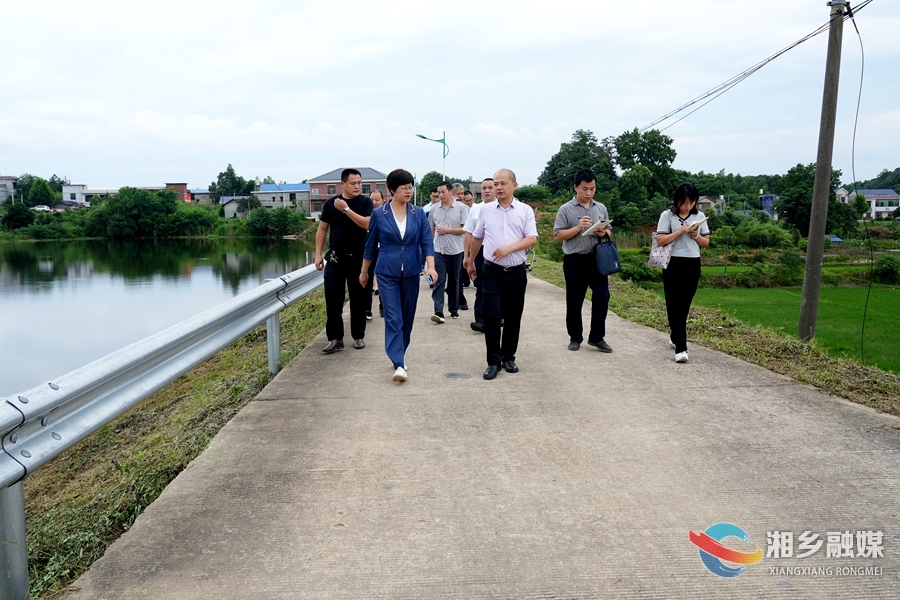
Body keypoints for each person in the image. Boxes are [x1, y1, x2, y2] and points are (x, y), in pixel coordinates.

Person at [360, 169, 437, 382]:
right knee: (393, 317)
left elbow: (427, 242)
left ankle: (399, 353)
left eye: (411, 186)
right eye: (404, 187)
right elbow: (370, 246)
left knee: (407, 317)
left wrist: (430, 267)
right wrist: (364, 271)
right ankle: (399, 363)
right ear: (392, 189)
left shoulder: (418, 213)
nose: (408, 191)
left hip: (412, 271)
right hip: (386, 273)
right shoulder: (379, 214)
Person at [468, 169, 538, 380]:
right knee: (491, 316)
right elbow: (477, 237)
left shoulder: (525, 210)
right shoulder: (486, 210)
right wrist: (470, 261)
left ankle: (509, 357)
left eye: (503, 183)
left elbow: (532, 238)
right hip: (491, 272)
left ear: (514, 185)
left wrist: (510, 248)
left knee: (513, 315)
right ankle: (493, 361)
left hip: (516, 271)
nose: (498, 187)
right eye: (496, 183)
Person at [553, 169, 613, 353]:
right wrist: (578, 227)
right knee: (574, 299)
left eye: (592, 189)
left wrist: (605, 232)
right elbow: (558, 235)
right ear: (576, 187)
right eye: (584, 189)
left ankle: (597, 337)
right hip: (575, 259)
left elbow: (609, 229)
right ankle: (575, 337)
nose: (588, 193)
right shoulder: (566, 209)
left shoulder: (600, 207)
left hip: (596, 259)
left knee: (602, 296)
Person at [314, 168, 373, 353]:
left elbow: (367, 224)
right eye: (353, 183)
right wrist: (317, 254)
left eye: (359, 183)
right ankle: (335, 338)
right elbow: (322, 229)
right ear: (343, 184)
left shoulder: (365, 202)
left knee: (358, 299)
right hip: (335, 259)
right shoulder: (331, 203)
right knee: (333, 300)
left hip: (359, 259)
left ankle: (358, 336)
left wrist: (346, 210)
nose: (357, 186)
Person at [655, 182, 710, 363]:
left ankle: (675, 335)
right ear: (677, 201)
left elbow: (705, 243)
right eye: (684, 203)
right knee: (675, 303)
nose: (688, 206)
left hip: (693, 263)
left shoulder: (700, 216)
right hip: (673, 263)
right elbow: (661, 239)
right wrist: (680, 231)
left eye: (691, 203)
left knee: (685, 304)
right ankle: (681, 348)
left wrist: (695, 235)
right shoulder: (667, 216)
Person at [428, 181, 469, 323]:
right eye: (438, 192)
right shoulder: (434, 209)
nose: (440, 195)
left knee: (454, 282)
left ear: (451, 192)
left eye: (443, 192)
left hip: (456, 251)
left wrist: (448, 230)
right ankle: (438, 311)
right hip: (439, 250)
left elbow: (465, 229)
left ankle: (454, 309)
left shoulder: (462, 208)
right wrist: (428, 249)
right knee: (438, 281)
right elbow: (431, 229)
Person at [463, 177, 495, 332]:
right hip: (480, 252)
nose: (487, 191)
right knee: (481, 286)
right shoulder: (476, 209)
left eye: (490, 187)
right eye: (484, 188)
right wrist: (467, 257)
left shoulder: (503, 207)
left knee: (498, 287)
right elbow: (469, 233)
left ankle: (499, 317)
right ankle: (480, 320)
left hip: (497, 252)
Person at [366, 190, 385, 320]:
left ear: (383, 200)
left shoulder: (387, 214)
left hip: (383, 251)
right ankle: (367, 309)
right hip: (369, 251)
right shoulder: (366, 214)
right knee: (367, 279)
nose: (375, 203)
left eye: (377, 200)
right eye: (372, 200)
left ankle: (383, 307)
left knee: (383, 279)